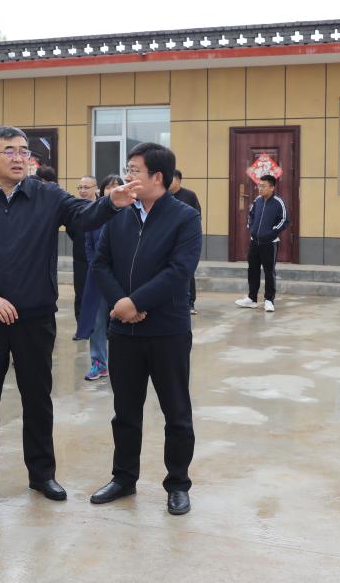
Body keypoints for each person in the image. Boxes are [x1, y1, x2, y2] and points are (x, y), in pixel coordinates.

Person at [0, 126, 140, 514]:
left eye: (24, 151)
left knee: (37, 400)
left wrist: (111, 203)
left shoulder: (47, 195)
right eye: (9, 151)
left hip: (34, 318)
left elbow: (83, 216)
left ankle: (42, 474)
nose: (19, 157)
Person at [90, 142, 201, 516]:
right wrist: (121, 304)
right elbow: (100, 263)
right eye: (128, 169)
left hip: (167, 330)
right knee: (125, 411)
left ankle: (178, 484)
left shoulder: (184, 217)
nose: (128, 177)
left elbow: (179, 271)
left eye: (134, 170)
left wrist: (136, 302)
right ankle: (123, 478)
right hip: (124, 331)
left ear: (158, 177)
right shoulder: (119, 214)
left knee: (176, 412)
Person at [75, 174, 123, 380]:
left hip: (121, 277)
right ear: (101, 191)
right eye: (108, 187)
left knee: (122, 320)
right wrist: (97, 267)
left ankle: (123, 364)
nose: (112, 190)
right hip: (97, 276)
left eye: (117, 186)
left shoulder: (128, 213)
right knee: (97, 321)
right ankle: (99, 363)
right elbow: (88, 245)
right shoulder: (95, 213)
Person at [235, 174, 288, 313]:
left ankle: (269, 300)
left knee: (269, 271)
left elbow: (284, 220)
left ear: (272, 187)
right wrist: (251, 228)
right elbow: (251, 215)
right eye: (259, 185)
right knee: (252, 270)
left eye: (263, 186)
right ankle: (252, 298)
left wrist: (271, 233)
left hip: (269, 243)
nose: (260, 188)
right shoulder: (257, 200)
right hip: (254, 242)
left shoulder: (278, 202)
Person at [67, 175, 98, 339]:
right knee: (81, 292)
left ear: (96, 188)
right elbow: (71, 230)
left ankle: (103, 327)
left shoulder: (102, 206)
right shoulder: (75, 208)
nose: (83, 191)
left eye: (86, 187)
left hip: (100, 257)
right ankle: (82, 328)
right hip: (80, 257)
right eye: (80, 187)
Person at [169, 170, 202, 315]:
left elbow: (197, 216)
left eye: (171, 178)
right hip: (168, 240)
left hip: (185, 240)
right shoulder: (164, 196)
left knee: (187, 271)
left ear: (178, 180)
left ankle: (190, 302)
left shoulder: (189, 195)